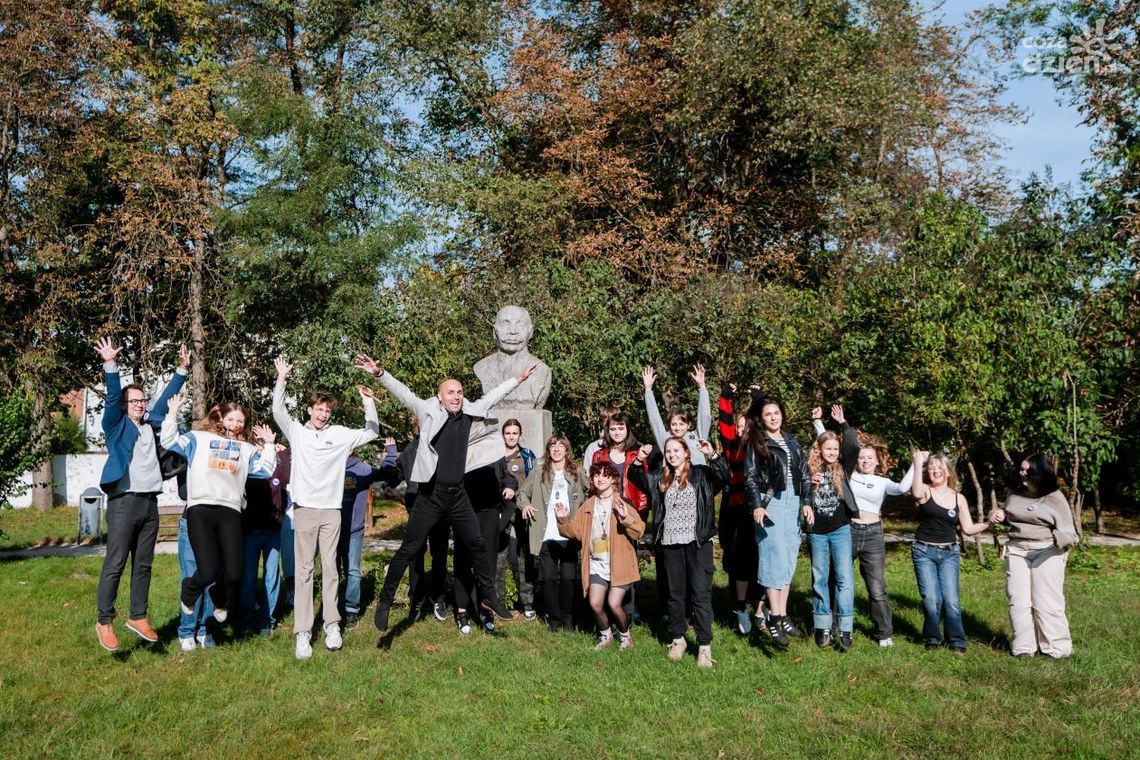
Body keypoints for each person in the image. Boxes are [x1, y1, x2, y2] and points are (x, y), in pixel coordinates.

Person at [357, 354, 534, 633]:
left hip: (458, 495)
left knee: (477, 545)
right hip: (431, 495)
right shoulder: (427, 409)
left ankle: (490, 598)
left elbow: (494, 396)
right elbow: (403, 392)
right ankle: (386, 603)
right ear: (440, 397)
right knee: (409, 549)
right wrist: (379, 373)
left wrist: (518, 379)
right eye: (451, 392)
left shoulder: (470, 410)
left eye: (460, 392)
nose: (456, 396)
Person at [273, 356, 380, 659]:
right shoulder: (297, 432)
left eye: (327, 410)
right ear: (309, 410)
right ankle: (303, 632)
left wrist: (367, 401)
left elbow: (371, 431)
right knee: (305, 571)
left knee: (331, 569)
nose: (322, 414)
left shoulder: (340, 434)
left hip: (332, 511)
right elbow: (277, 410)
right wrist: (282, 377)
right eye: (318, 409)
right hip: (305, 510)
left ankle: (332, 624)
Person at [93, 338, 189, 651]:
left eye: (141, 400)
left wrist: (182, 370)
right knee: (116, 562)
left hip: (150, 503)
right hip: (124, 502)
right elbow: (110, 398)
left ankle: (138, 616)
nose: (140, 404)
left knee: (144, 564)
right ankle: (104, 620)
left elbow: (165, 399)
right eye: (133, 401)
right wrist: (110, 365)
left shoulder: (151, 424)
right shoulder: (116, 426)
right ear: (124, 406)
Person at [161, 395, 278, 636]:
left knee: (234, 572)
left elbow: (266, 470)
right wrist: (172, 413)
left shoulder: (245, 449)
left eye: (240, 421)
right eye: (231, 419)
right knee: (207, 570)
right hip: (201, 509)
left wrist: (268, 444)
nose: (236, 424)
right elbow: (168, 441)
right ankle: (189, 591)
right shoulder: (199, 439)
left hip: (230, 511)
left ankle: (220, 598)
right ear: (220, 419)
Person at [628, 437, 728, 668]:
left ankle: (704, 645)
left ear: (686, 452)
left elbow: (724, 476)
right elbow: (635, 477)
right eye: (668, 451)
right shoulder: (659, 478)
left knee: (700, 594)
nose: (672, 455)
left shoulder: (701, 474)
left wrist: (712, 454)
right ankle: (678, 639)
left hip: (698, 543)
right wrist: (640, 457)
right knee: (675, 594)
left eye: (676, 450)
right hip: (670, 545)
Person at [823, 405, 914, 648]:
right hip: (849, 531)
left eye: (869, 458)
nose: (864, 461)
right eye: (861, 457)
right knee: (839, 579)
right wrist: (819, 424)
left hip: (873, 535)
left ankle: (884, 633)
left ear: (877, 461)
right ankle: (833, 627)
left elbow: (903, 489)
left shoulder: (883, 482)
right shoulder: (848, 474)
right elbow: (827, 449)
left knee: (876, 588)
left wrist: (918, 463)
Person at [910, 451, 998, 654]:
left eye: (939, 468)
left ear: (948, 472)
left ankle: (957, 640)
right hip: (924, 551)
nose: (935, 471)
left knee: (951, 600)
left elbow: (967, 529)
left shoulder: (959, 498)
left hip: (949, 553)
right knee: (931, 599)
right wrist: (917, 462)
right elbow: (914, 492)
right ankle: (932, 638)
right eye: (931, 468)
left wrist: (987, 524)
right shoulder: (924, 490)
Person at [991, 453, 1078, 659]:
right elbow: (1010, 514)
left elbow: (1070, 533)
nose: (1023, 474)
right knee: (1018, 600)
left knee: (1046, 601)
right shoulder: (1015, 492)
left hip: (1047, 551)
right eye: (1021, 469)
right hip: (1017, 549)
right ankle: (1024, 647)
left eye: (1027, 470)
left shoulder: (1054, 498)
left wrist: (1057, 541)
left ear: (1039, 472)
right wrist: (1000, 515)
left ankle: (1056, 649)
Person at [555, 461, 645, 650]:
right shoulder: (588, 505)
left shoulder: (622, 502)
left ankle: (625, 637)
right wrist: (563, 518)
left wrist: (626, 518)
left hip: (619, 563)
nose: (600, 478)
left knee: (614, 603)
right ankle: (606, 636)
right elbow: (576, 532)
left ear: (613, 479)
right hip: (596, 563)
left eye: (605, 475)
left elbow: (639, 531)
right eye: (597, 475)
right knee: (595, 603)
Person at [744, 394, 810, 650]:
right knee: (773, 557)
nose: (773, 417)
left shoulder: (792, 440)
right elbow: (749, 477)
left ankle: (780, 615)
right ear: (761, 419)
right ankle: (774, 617)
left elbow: (804, 473)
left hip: (793, 502)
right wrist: (757, 506)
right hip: (770, 502)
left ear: (782, 414)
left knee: (788, 559)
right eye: (768, 414)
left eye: (776, 413)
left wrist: (807, 502)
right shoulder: (757, 442)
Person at [517, 435, 586, 632]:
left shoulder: (577, 472)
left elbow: (591, 492)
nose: (556, 450)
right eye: (552, 446)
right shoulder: (539, 472)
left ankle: (568, 618)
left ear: (567, 450)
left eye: (560, 446)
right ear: (548, 450)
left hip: (569, 534)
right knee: (547, 579)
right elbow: (521, 493)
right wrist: (526, 504)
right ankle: (554, 620)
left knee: (567, 578)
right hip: (546, 534)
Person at [803, 420, 856, 652]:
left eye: (835, 448)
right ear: (819, 449)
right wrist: (808, 485)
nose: (832, 452)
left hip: (840, 530)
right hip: (817, 533)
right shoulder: (809, 468)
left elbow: (853, 445)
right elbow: (798, 492)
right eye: (828, 448)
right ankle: (822, 626)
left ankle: (845, 628)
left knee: (844, 578)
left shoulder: (844, 466)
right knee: (820, 578)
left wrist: (843, 425)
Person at [717, 383, 763, 634]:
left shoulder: (759, 447)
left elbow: (766, 418)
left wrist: (758, 399)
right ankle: (741, 608)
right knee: (739, 564)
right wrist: (726, 397)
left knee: (761, 562)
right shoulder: (732, 448)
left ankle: (761, 609)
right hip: (736, 512)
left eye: (747, 426)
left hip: (760, 510)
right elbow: (725, 425)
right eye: (740, 426)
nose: (742, 429)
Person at [340, 440, 398, 630]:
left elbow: (385, 472)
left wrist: (390, 452)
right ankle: (331, 610)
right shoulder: (329, 466)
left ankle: (351, 611)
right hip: (331, 530)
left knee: (352, 571)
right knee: (332, 571)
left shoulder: (363, 470)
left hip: (354, 531)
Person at [240, 445, 291, 637]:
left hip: (272, 532)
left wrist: (283, 453)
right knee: (249, 577)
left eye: (265, 442)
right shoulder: (248, 464)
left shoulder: (276, 465)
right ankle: (245, 620)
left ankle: (266, 621)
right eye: (258, 441)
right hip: (250, 530)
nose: (261, 445)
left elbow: (287, 477)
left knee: (272, 576)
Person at [497, 419, 537, 618]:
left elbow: (535, 480)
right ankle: (499, 600)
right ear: (503, 434)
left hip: (522, 508)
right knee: (499, 555)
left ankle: (527, 602)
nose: (511, 436)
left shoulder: (528, 456)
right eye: (508, 433)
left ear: (519, 435)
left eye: (514, 433)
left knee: (525, 554)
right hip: (501, 508)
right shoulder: (494, 455)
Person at [641, 364, 712, 464]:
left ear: (689, 425)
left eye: (681, 424)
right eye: (674, 424)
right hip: (673, 479)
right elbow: (654, 419)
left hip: (697, 478)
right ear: (669, 426)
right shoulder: (665, 439)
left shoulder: (697, 437)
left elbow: (704, 416)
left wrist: (702, 386)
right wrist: (648, 390)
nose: (678, 428)